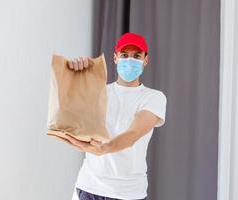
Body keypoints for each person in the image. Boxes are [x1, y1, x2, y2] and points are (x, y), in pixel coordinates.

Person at [64, 32, 167, 200]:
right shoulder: (98, 92)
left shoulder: (153, 97)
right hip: (89, 187)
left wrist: (104, 148)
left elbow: (133, 134)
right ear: (115, 58)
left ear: (145, 60)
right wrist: (74, 76)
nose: (130, 60)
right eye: (124, 55)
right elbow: (70, 122)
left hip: (128, 193)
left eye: (136, 56)